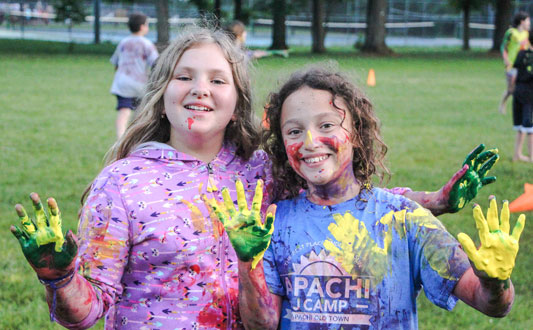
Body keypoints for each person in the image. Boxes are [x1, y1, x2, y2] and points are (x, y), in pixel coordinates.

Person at [11, 28, 497, 329]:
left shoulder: (262, 171)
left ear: (237, 100)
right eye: (185, 77)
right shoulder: (121, 184)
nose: (200, 89)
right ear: (162, 92)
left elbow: (344, 200)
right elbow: (86, 311)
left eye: (217, 79)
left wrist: (434, 199)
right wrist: (60, 276)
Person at [208, 68, 525, 329]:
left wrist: (495, 281)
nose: (310, 141)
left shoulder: (403, 218)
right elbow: (260, 324)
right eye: (293, 131)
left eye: (327, 125)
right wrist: (249, 262)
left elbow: (490, 304)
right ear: (282, 145)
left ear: (357, 133)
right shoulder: (277, 225)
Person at [110, 12, 159, 139]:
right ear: (142, 27)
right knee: (140, 113)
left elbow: (115, 63)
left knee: (124, 111)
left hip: (123, 83)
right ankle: (136, 138)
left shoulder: (123, 42)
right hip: (140, 84)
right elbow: (156, 63)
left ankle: (120, 139)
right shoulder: (147, 44)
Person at [499, 11, 530, 115]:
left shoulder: (527, 34)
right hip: (511, 65)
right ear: (522, 21)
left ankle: (522, 109)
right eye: (527, 20)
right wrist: (506, 59)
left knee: (523, 89)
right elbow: (503, 46)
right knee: (511, 90)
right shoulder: (511, 32)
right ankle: (503, 104)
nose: (529, 22)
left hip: (524, 67)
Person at [511, 31, 533, 162]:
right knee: (530, 127)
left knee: (520, 126)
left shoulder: (521, 53)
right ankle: (531, 157)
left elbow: (513, 74)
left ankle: (517, 155)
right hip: (529, 94)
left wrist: (510, 91)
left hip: (518, 91)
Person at [225, 20, 289, 60]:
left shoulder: (233, 47)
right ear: (239, 33)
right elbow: (239, 57)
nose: (246, 34)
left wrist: (254, 53)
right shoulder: (232, 50)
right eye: (244, 31)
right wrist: (253, 54)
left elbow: (244, 54)